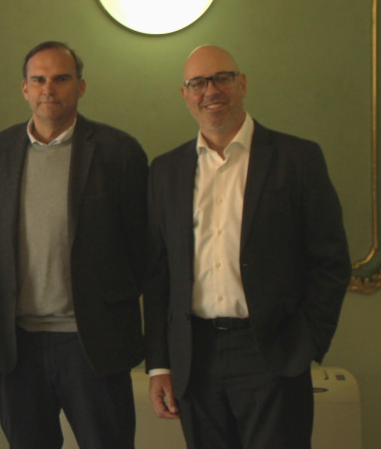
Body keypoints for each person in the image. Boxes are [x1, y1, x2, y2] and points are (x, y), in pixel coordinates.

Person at [144, 45, 351, 448]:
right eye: (198, 83)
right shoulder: (165, 171)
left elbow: (331, 262)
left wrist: (305, 343)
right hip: (195, 358)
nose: (211, 91)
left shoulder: (297, 159)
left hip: (271, 352)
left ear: (242, 84)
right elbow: (158, 275)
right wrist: (159, 365)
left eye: (221, 78)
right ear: (185, 94)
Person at [0, 41, 148, 448]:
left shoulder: (119, 152)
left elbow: (143, 248)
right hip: (21, 346)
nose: (48, 89)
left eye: (60, 79)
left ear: (81, 86)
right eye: (38, 80)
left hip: (93, 343)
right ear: (25, 88)